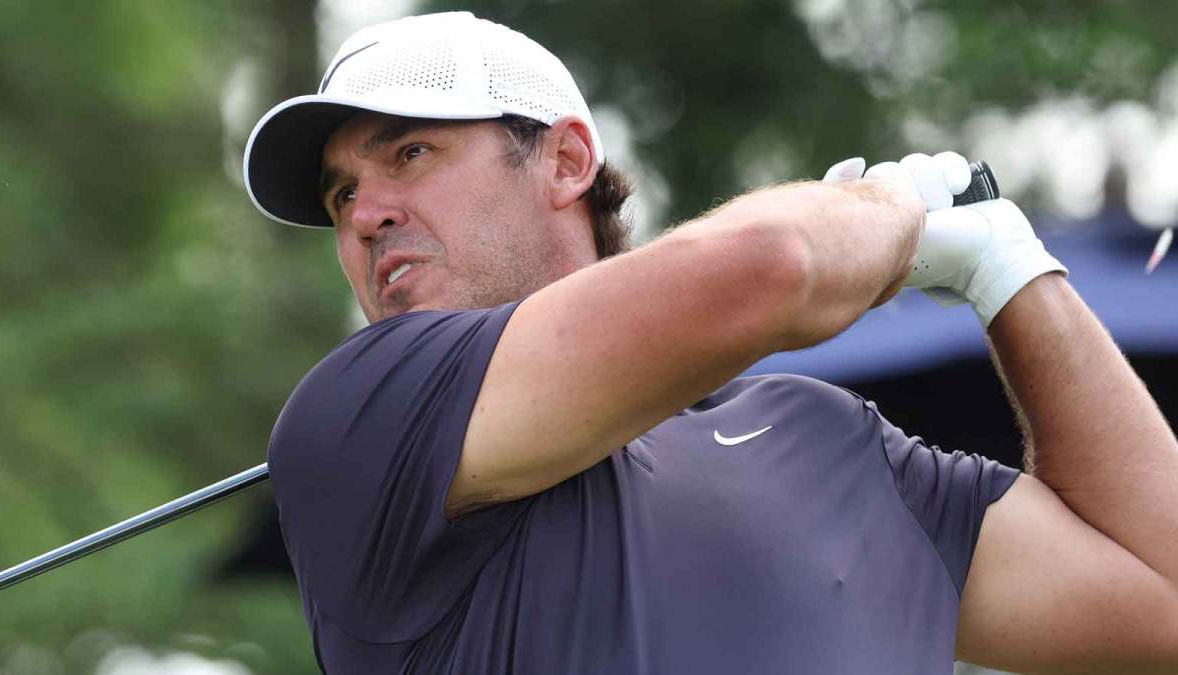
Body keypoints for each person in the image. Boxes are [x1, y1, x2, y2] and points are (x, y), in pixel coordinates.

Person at [244, 11, 1178, 675]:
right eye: (340, 195)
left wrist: (1012, 274)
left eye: (411, 153)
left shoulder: (834, 439)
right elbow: (773, 264)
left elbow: (1161, 592)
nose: (366, 214)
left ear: (567, 161)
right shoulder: (363, 415)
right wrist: (896, 207)